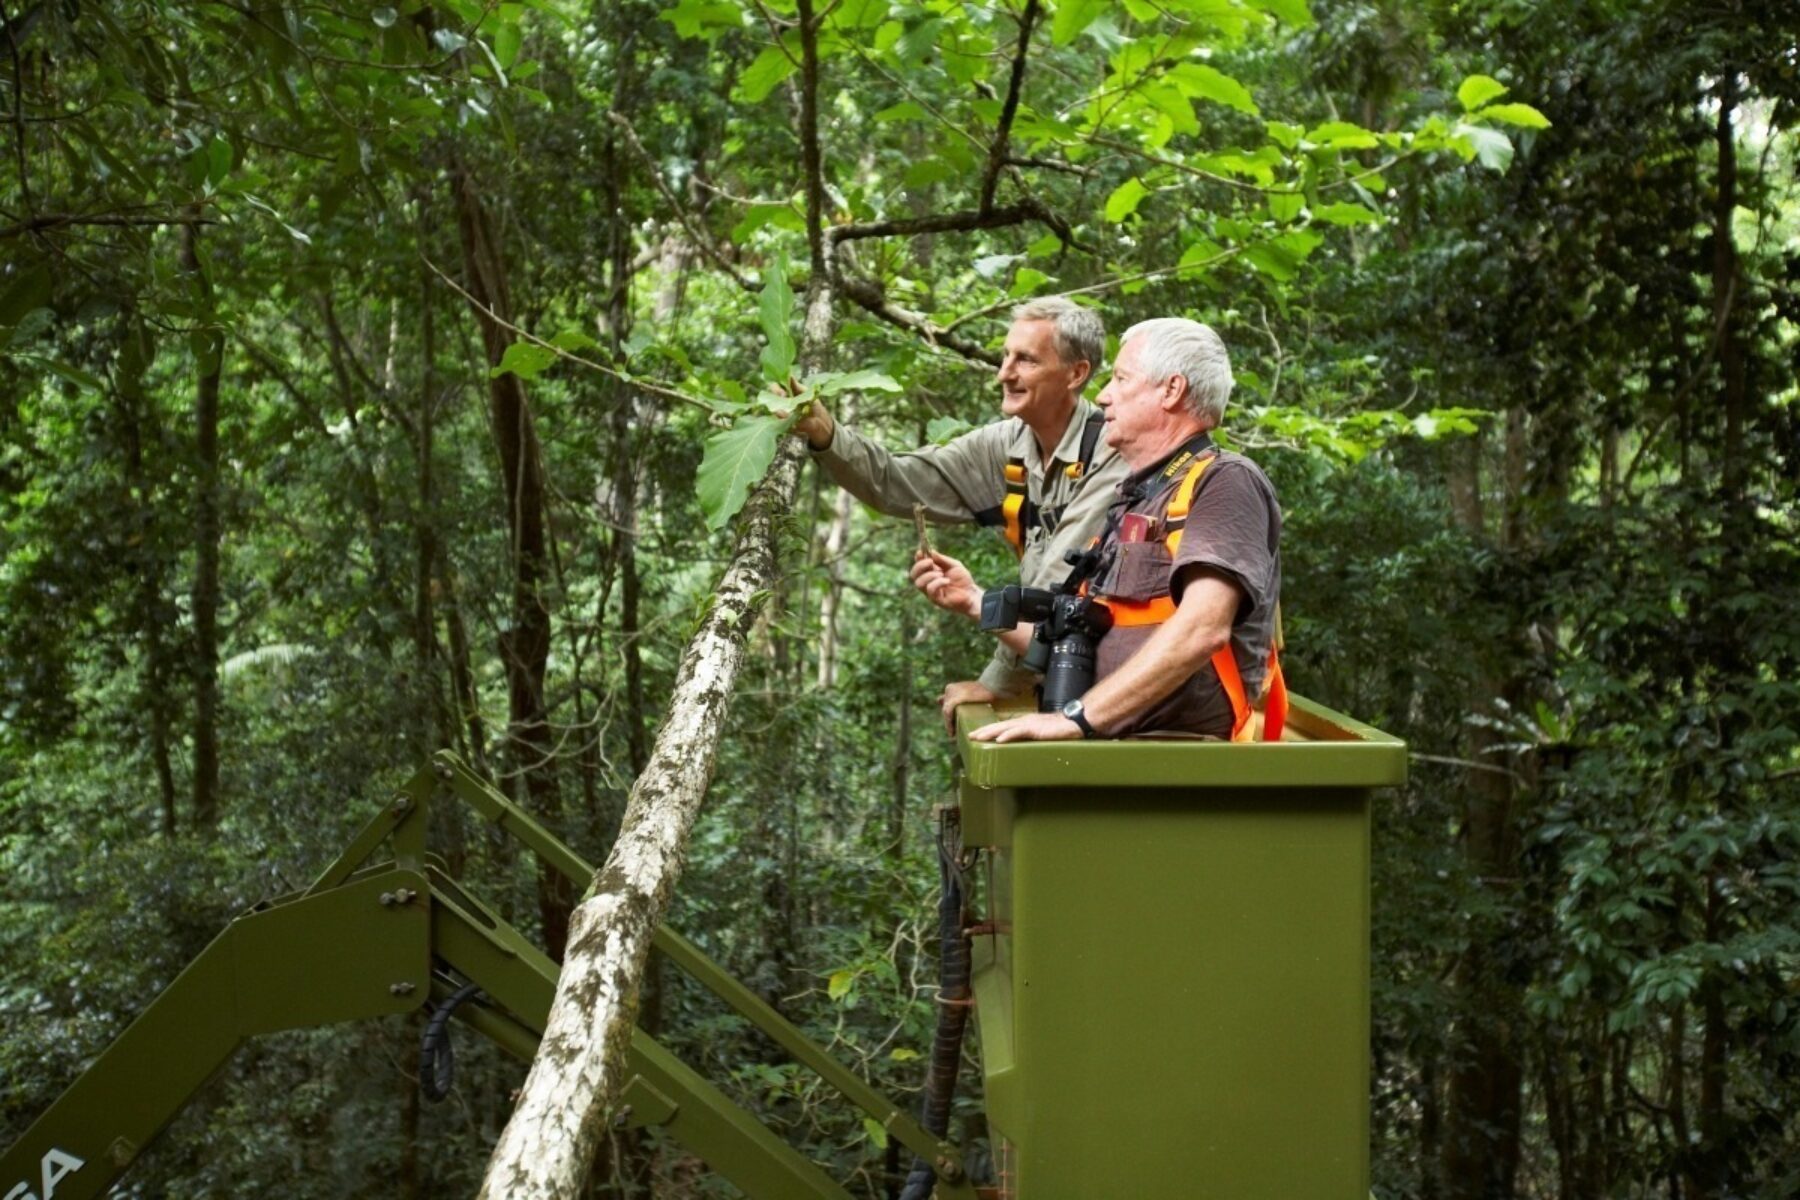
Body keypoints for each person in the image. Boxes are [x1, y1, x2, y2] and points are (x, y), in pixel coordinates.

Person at [793, 297, 1128, 730]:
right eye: (1006, 356)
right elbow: (900, 481)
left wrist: (998, 681)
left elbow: (1057, 588)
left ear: (1076, 373)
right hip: (1054, 667)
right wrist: (827, 436)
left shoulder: (1111, 452)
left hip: (1113, 678)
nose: (1004, 373)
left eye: (1024, 360)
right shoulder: (1007, 445)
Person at [950, 316, 1283, 743]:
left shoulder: (1226, 481)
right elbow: (1081, 639)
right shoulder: (1135, 499)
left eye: (1121, 379)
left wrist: (1076, 718)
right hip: (1110, 749)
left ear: (1172, 390)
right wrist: (973, 601)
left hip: (1174, 757)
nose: (1103, 396)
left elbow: (1204, 627)